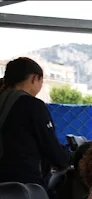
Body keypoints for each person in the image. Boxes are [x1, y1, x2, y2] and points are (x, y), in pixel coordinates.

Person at [0, 57, 70, 189]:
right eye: (41, 81)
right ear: (34, 78)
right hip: (23, 184)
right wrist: (65, 160)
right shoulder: (32, 105)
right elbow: (49, 144)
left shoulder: (4, 99)